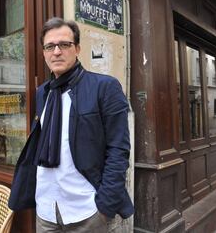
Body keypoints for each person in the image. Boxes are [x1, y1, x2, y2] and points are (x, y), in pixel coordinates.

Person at [8, 17, 133, 232]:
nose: (56, 51)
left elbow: (118, 150)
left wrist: (104, 207)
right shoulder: (42, 92)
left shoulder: (104, 87)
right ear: (44, 53)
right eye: (50, 46)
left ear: (77, 49)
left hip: (87, 210)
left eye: (64, 45)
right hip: (46, 208)